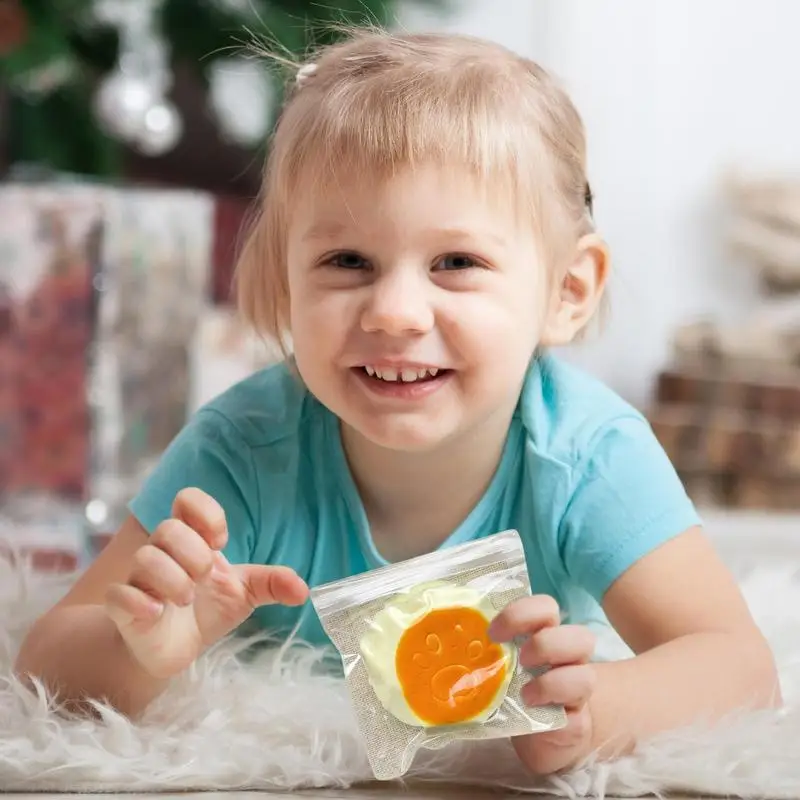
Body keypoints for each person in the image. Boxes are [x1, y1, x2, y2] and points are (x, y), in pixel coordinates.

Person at [16, 28, 780, 776]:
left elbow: (740, 667)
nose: (394, 312)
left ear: (566, 291)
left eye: (456, 262)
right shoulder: (241, 449)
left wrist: (598, 712)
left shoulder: (587, 454)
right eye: (347, 261)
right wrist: (140, 652)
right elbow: (42, 664)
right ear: (286, 285)